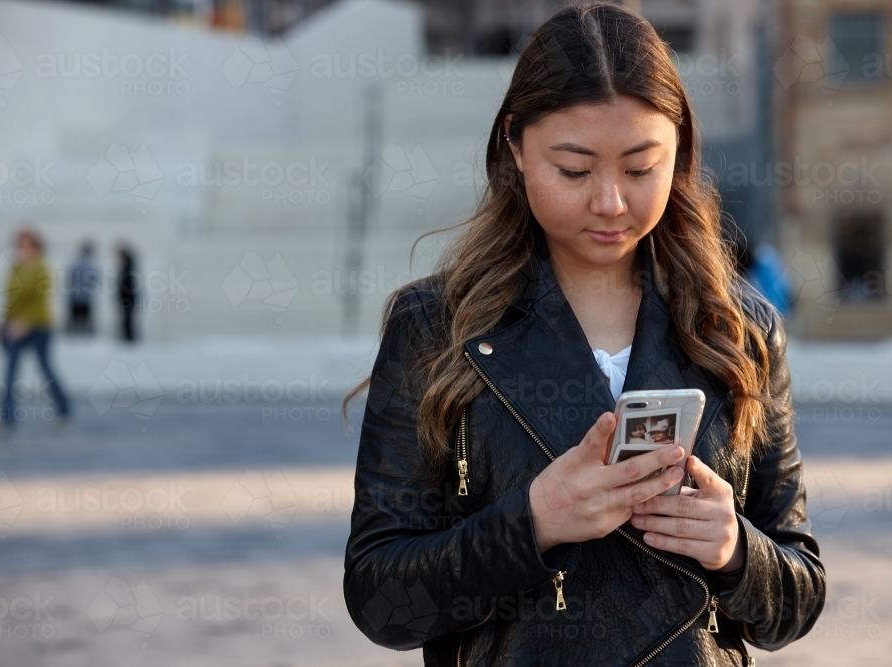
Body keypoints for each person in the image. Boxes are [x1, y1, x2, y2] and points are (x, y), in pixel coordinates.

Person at [342, 4, 824, 665]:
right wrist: (533, 521)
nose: (610, 202)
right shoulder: (432, 328)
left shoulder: (741, 329)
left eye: (639, 167)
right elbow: (379, 596)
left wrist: (734, 548)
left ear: (679, 145)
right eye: (574, 169)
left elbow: (799, 596)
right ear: (515, 145)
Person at [0, 229, 71, 427]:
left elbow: (40, 301)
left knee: (46, 370)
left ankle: (64, 410)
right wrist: (5, 323)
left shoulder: (42, 269)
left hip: (39, 326)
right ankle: (6, 418)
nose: (23, 250)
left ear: (37, 247)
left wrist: (25, 322)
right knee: (10, 373)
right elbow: (10, 300)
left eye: (28, 245)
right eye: (20, 245)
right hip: (14, 327)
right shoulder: (15, 269)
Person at [66, 241, 99, 334]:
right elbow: (94, 280)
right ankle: (85, 334)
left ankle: (73, 334)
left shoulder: (75, 264)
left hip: (75, 296)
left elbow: (71, 278)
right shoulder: (91, 265)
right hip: (86, 297)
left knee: (74, 320)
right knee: (85, 320)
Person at [116, 245, 138, 342]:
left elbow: (127, 287)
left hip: (127, 299)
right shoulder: (128, 268)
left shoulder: (127, 269)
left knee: (128, 321)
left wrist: (124, 300)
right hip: (128, 299)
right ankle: (128, 339)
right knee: (127, 321)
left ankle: (129, 339)